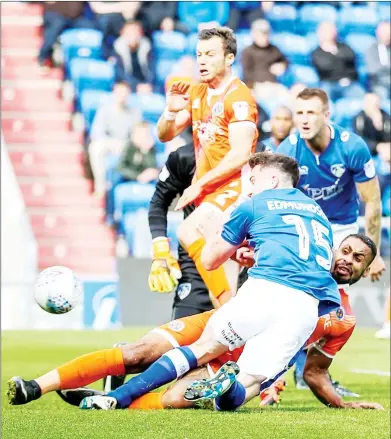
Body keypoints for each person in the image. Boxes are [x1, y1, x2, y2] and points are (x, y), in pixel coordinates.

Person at [63, 152, 340, 410]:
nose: (249, 188)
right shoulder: (318, 213)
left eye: (253, 180)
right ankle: (228, 389)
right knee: (252, 382)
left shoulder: (254, 204)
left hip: (266, 290)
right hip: (305, 308)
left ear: (273, 180)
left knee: (202, 348)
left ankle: (117, 397)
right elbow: (313, 260)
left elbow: (210, 259)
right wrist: (257, 251)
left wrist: (224, 239)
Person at [8, 234, 382, 411]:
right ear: (334, 249)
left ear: (367, 270)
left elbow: (315, 373)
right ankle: (35, 387)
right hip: (214, 326)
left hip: (238, 364)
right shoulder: (299, 259)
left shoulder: (342, 319)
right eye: (345, 250)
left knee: (174, 400)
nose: (348, 259)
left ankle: (106, 400)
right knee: (138, 353)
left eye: (358, 258)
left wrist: (343, 406)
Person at [278, 87, 386, 387]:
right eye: (299, 113)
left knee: (336, 304)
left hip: (342, 228)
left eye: (311, 112)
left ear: (327, 115)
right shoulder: (288, 150)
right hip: (306, 226)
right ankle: (298, 370)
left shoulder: (353, 147)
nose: (304, 119)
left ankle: (311, 370)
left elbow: (373, 200)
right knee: (305, 297)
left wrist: (372, 254)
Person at [156, 27, 259, 307]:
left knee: (188, 231)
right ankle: (233, 334)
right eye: (199, 54)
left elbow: (240, 155)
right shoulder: (199, 92)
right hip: (210, 192)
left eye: (210, 54)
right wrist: (170, 111)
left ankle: (232, 321)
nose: (202, 61)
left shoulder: (239, 99)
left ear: (229, 59)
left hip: (234, 188)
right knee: (220, 289)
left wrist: (199, 184)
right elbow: (165, 134)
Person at [88, 81, 142, 197]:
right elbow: (96, 132)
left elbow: (138, 134)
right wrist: (111, 143)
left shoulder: (134, 112)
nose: (122, 96)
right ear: (114, 93)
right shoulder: (105, 109)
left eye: (125, 93)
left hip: (126, 144)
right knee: (95, 148)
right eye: (119, 92)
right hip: (108, 142)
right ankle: (100, 187)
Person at [311, 22, 364, 101]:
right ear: (319, 33)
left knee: (363, 98)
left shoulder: (344, 46)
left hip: (349, 83)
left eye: (332, 30)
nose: (330, 33)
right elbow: (325, 67)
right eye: (326, 30)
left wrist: (333, 57)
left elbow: (350, 57)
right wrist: (337, 57)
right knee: (324, 100)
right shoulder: (317, 52)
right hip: (329, 84)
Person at [241, 19, 289, 100]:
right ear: (254, 34)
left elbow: (285, 61)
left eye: (266, 33)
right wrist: (259, 84)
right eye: (261, 33)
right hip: (257, 87)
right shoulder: (248, 52)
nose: (264, 36)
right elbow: (246, 74)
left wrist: (282, 65)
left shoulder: (274, 49)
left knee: (287, 97)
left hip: (274, 86)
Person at [113, 20, 154, 89]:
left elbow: (152, 70)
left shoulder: (147, 48)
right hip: (128, 87)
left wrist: (149, 84)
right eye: (129, 33)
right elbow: (120, 74)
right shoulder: (117, 50)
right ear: (122, 33)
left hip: (146, 87)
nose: (133, 36)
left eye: (135, 32)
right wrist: (136, 86)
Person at [366, 21, 390, 100]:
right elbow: (373, 69)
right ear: (378, 33)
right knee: (382, 93)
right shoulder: (371, 49)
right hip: (379, 83)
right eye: (385, 32)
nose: (387, 34)